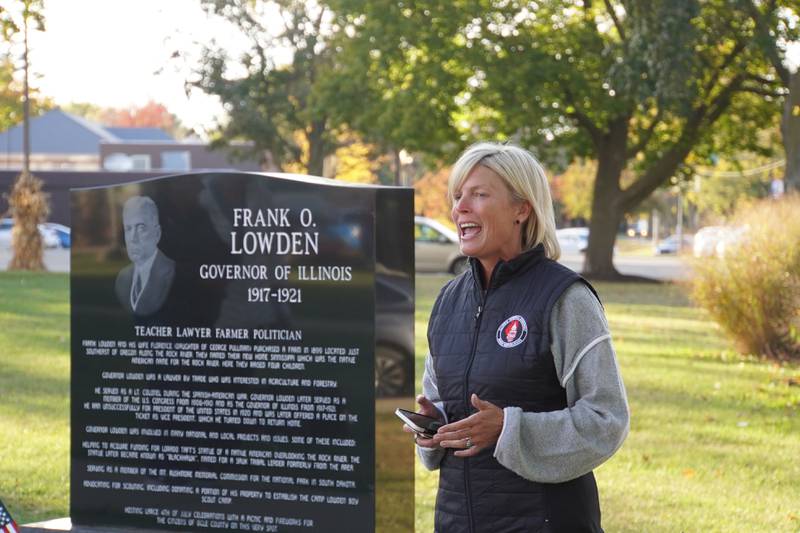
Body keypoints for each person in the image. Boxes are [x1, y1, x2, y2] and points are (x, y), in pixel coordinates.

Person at [408, 142, 629, 532]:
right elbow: (443, 401)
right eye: (458, 196)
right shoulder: (447, 302)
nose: (460, 207)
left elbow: (606, 419)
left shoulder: (565, 298)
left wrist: (510, 428)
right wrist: (434, 424)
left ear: (521, 209)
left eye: (479, 194)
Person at [115, 195, 175, 317]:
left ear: (157, 234)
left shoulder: (172, 273)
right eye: (128, 228)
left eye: (141, 228)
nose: (133, 238)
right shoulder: (122, 278)